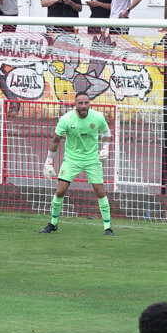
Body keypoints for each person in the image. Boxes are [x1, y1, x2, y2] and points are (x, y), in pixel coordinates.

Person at [40, 93, 113, 235]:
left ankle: (108, 228)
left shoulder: (97, 117)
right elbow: (56, 140)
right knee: (60, 191)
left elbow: (106, 131)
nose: (84, 106)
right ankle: (53, 223)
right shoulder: (66, 119)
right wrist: (48, 163)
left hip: (92, 159)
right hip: (71, 159)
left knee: (100, 191)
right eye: (81, 103)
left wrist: (105, 148)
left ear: (89, 103)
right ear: (75, 104)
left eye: (86, 103)